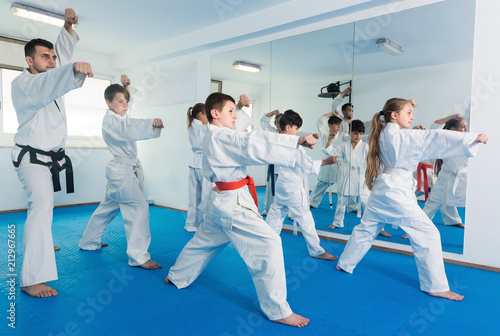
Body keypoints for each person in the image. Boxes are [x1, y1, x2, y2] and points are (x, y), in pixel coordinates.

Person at [165, 92, 315, 328]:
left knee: (204, 241)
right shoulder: (221, 136)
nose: (235, 116)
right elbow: (251, 142)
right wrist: (294, 140)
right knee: (270, 244)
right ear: (215, 113)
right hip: (231, 204)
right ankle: (277, 310)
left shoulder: (213, 134)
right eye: (231, 111)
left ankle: (177, 275)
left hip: (220, 199)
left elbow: (246, 137)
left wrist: (289, 140)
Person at [336, 98, 487, 301]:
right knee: (429, 234)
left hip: (383, 190)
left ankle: (345, 262)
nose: (413, 116)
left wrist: (406, 107)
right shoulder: (402, 137)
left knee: (367, 227)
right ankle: (436, 286)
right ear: (394, 115)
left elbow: (426, 137)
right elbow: (435, 137)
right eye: (408, 112)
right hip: (396, 193)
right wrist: (472, 138)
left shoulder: (383, 134)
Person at [11, 8, 93, 298]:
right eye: (44, 56)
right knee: (42, 207)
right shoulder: (23, 83)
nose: (51, 60)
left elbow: (56, 68)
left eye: (53, 56)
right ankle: (31, 279)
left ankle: (43, 241)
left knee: (44, 210)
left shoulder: (49, 76)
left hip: (50, 159)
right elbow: (50, 80)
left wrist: (68, 27)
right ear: (28, 60)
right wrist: (70, 70)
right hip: (31, 159)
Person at [79, 76, 163, 270]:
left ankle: (88, 241)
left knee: (107, 208)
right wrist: (152, 124)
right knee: (139, 208)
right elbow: (128, 128)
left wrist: (125, 88)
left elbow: (126, 120)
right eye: (120, 101)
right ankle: (139, 257)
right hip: (121, 172)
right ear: (108, 103)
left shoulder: (117, 117)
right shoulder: (112, 121)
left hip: (122, 170)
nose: (125, 105)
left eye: (127, 101)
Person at [265, 110, 337, 260]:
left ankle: (266, 246)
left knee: (275, 215)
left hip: (282, 185)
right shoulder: (293, 147)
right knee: (305, 218)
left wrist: (302, 145)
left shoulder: (278, 141)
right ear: (287, 128)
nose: (298, 132)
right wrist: (326, 161)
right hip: (293, 188)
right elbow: (307, 165)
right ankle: (316, 250)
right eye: (296, 128)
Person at [422, 114, 470, 228]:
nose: (466, 130)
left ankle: (453, 219)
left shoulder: (467, 140)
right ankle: (419, 225)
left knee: (449, 198)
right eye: (463, 127)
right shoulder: (442, 140)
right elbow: (434, 128)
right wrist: (452, 116)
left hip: (462, 176)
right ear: (452, 130)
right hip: (446, 175)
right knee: (433, 201)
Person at [184, 103, 211, 232]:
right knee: (206, 196)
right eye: (207, 115)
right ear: (201, 115)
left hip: (194, 163)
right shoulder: (204, 128)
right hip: (203, 164)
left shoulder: (191, 127)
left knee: (194, 197)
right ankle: (207, 225)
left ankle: (191, 224)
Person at [309, 115, 342, 208]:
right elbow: (320, 121)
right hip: (328, 162)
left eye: (339, 125)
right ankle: (312, 202)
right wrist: (331, 113)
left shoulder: (342, 135)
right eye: (336, 125)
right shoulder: (325, 133)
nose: (338, 127)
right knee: (321, 184)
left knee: (347, 186)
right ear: (329, 125)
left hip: (340, 164)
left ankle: (353, 207)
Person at [260, 109, 282, 216]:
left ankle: (292, 214)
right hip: (273, 165)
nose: (279, 124)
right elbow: (263, 122)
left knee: (287, 190)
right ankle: (267, 209)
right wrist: (272, 113)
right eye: (277, 122)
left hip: (285, 167)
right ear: (275, 123)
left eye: (281, 122)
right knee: (270, 190)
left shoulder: (289, 133)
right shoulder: (272, 132)